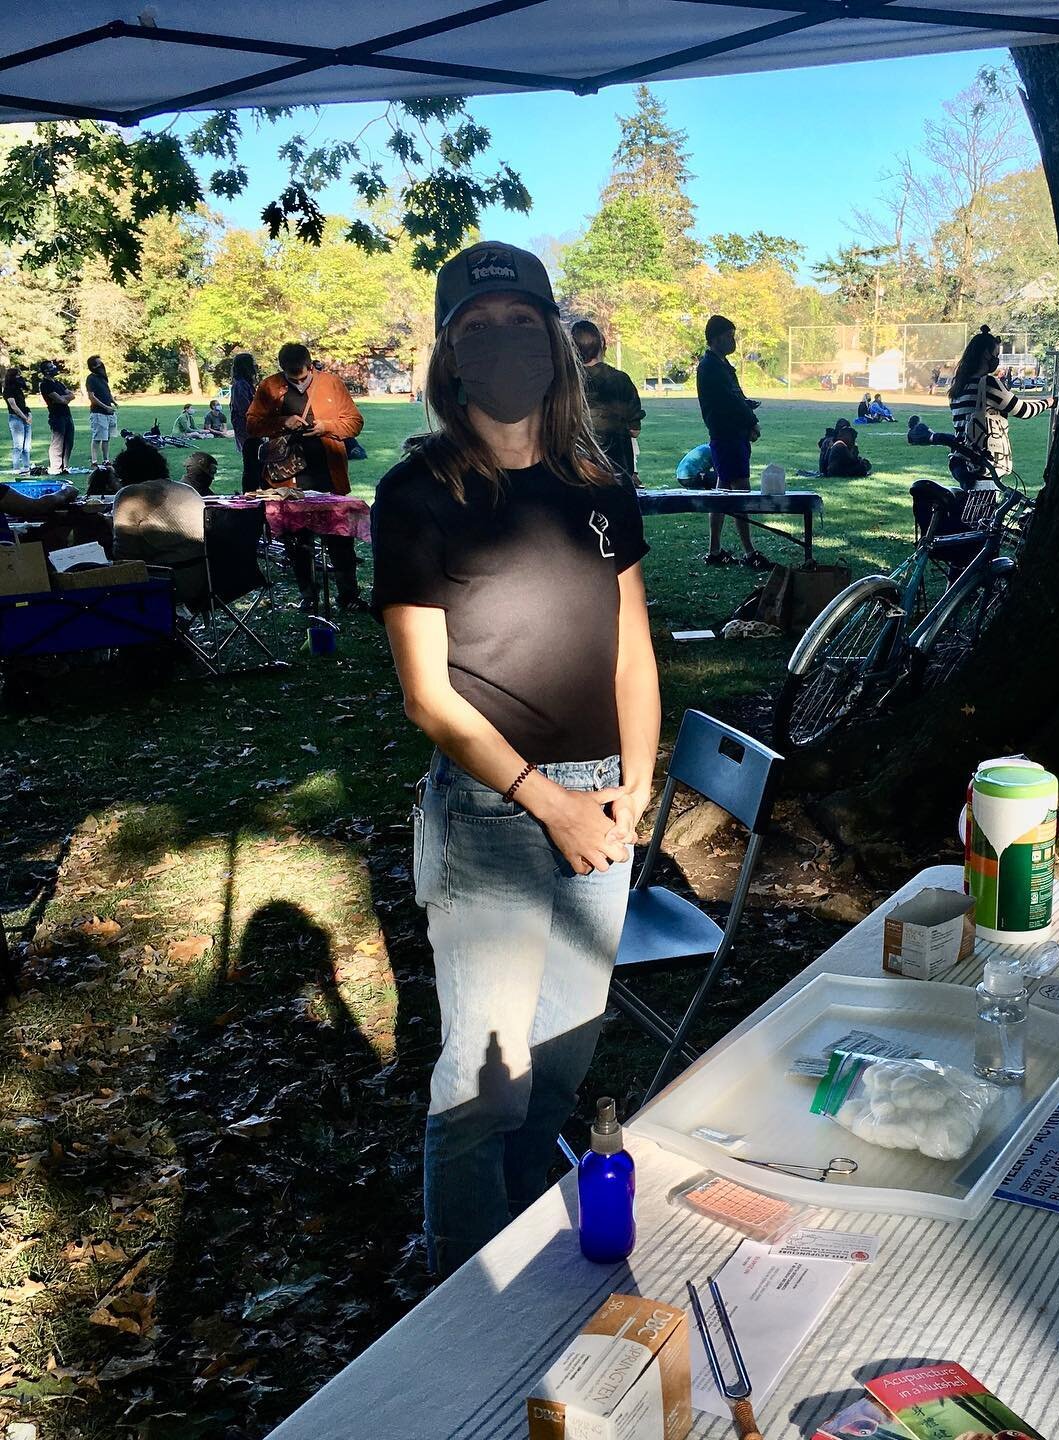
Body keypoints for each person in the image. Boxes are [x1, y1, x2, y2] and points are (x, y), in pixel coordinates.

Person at [369, 240, 659, 1278]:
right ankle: (461, 1300)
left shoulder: (598, 482)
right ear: (448, 356)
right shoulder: (416, 492)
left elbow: (632, 639)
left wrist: (639, 774)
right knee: (483, 1081)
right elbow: (427, 697)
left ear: (555, 342)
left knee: (558, 1069)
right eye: (475, 327)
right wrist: (549, 803)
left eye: (520, 322)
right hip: (494, 818)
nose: (501, 343)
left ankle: (532, 1254)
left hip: (605, 811)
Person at [246, 342, 365, 609]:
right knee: (298, 544)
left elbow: (355, 422)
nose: (298, 381)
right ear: (281, 369)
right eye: (291, 376)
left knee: (340, 540)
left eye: (302, 375)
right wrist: (281, 423)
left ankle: (349, 596)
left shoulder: (331, 384)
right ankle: (308, 597)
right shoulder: (269, 387)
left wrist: (326, 427)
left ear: (311, 366)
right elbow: (251, 424)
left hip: (329, 476)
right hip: (288, 480)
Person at [695, 314, 767, 568]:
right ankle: (749, 552)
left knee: (721, 492)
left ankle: (715, 550)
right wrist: (751, 421)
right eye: (728, 335)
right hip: (727, 437)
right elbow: (728, 401)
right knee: (740, 492)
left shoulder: (721, 365)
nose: (732, 340)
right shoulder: (711, 367)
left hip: (731, 436)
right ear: (715, 338)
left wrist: (747, 410)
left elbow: (736, 397)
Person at [948, 325, 1053, 480]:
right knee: (987, 503)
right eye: (996, 355)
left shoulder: (958, 386)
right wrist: (1050, 402)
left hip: (961, 460)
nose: (997, 360)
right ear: (985, 354)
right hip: (984, 461)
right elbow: (1024, 410)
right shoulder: (988, 384)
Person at [111, 437, 206, 603]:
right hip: (205, 576)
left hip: (167, 580)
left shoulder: (131, 495)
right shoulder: (186, 489)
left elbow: (124, 558)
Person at [570, 320, 645, 485]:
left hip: (577, 470)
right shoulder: (620, 380)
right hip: (617, 468)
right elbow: (635, 431)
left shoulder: (566, 383)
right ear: (600, 344)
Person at [229, 352, 262, 491]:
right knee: (251, 465)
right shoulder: (241, 385)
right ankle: (249, 493)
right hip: (248, 432)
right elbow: (245, 409)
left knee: (255, 464)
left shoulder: (245, 384)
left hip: (251, 430)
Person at [38, 361, 75, 475]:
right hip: (56, 416)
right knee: (58, 442)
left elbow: (71, 395)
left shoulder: (58, 383)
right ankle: (55, 467)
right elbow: (60, 400)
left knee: (69, 441)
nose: (54, 368)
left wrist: (63, 398)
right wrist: (63, 398)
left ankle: (65, 466)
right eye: (51, 367)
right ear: (46, 371)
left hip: (67, 415)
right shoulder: (45, 385)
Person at [85, 355, 119, 466]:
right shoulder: (91, 378)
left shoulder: (103, 378)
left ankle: (106, 460)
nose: (102, 365)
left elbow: (107, 392)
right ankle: (94, 461)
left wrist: (112, 401)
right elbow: (92, 397)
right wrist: (105, 407)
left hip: (109, 412)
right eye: (99, 363)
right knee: (98, 437)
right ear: (94, 366)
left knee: (107, 438)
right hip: (98, 413)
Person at [4, 364, 31, 475]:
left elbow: (23, 404)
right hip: (16, 419)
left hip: (26, 417)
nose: (20, 377)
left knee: (27, 446)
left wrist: (28, 414)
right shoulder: (8, 390)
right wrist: (24, 417)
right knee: (18, 445)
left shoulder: (19, 389)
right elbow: (14, 406)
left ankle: (26, 467)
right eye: (18, 375)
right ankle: (16, 467)